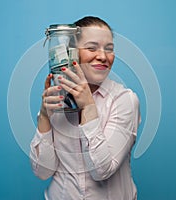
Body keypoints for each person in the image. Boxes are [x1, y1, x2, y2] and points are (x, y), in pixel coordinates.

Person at [30, 16, 141, 200]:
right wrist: (44, 116)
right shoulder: (57, 98)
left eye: (109, 49)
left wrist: (88, 106)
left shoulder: (124, 100)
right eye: (91, 48)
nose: (103, 56)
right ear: (70, 53)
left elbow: (102, 171)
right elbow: (43, 172)